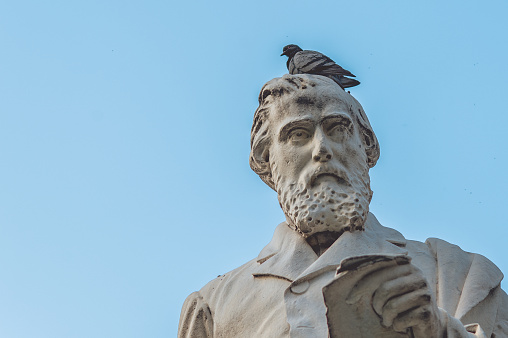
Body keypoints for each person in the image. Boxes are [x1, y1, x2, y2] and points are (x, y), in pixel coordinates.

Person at [178, 74, 508, 337]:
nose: (322, 148)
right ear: (267, 160)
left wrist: (438, 331)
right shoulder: (216, 306)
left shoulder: (458, 275)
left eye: (338, 129)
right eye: (297, 135)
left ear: (366, 146)